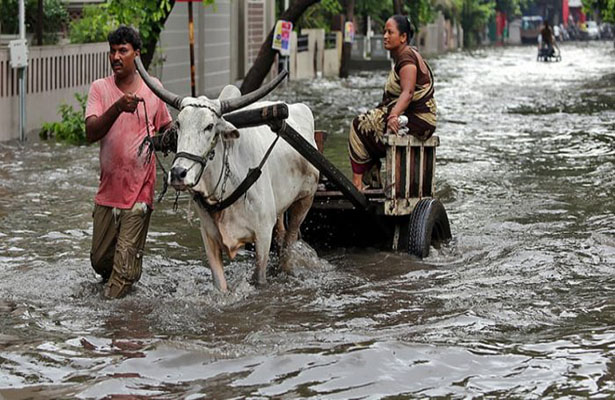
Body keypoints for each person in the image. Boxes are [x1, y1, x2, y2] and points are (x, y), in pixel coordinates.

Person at [85, 25, 172, 298]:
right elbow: (91, 132)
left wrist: (173, 138)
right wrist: (118, 107)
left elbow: (166, 129)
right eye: (112, 51)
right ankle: (129, 267)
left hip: (140, 192)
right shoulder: (100, 89)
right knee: (100, 261)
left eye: (123, 51)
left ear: (137, 54)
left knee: (119, 278)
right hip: (108, 190)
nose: (115, 57)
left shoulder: (153, 88)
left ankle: (112, 316)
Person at [348, 15, 436, 190]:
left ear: (403, 37)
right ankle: (372, 184)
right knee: (369, 125)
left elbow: (408, 92)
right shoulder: (405, 56)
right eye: (384, 32)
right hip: (418, 119)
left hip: (417, 120)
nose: (385, 36)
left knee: (358, 126)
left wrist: (393, 115)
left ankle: (357, 184)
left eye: (390, 32)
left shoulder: (407, 57)